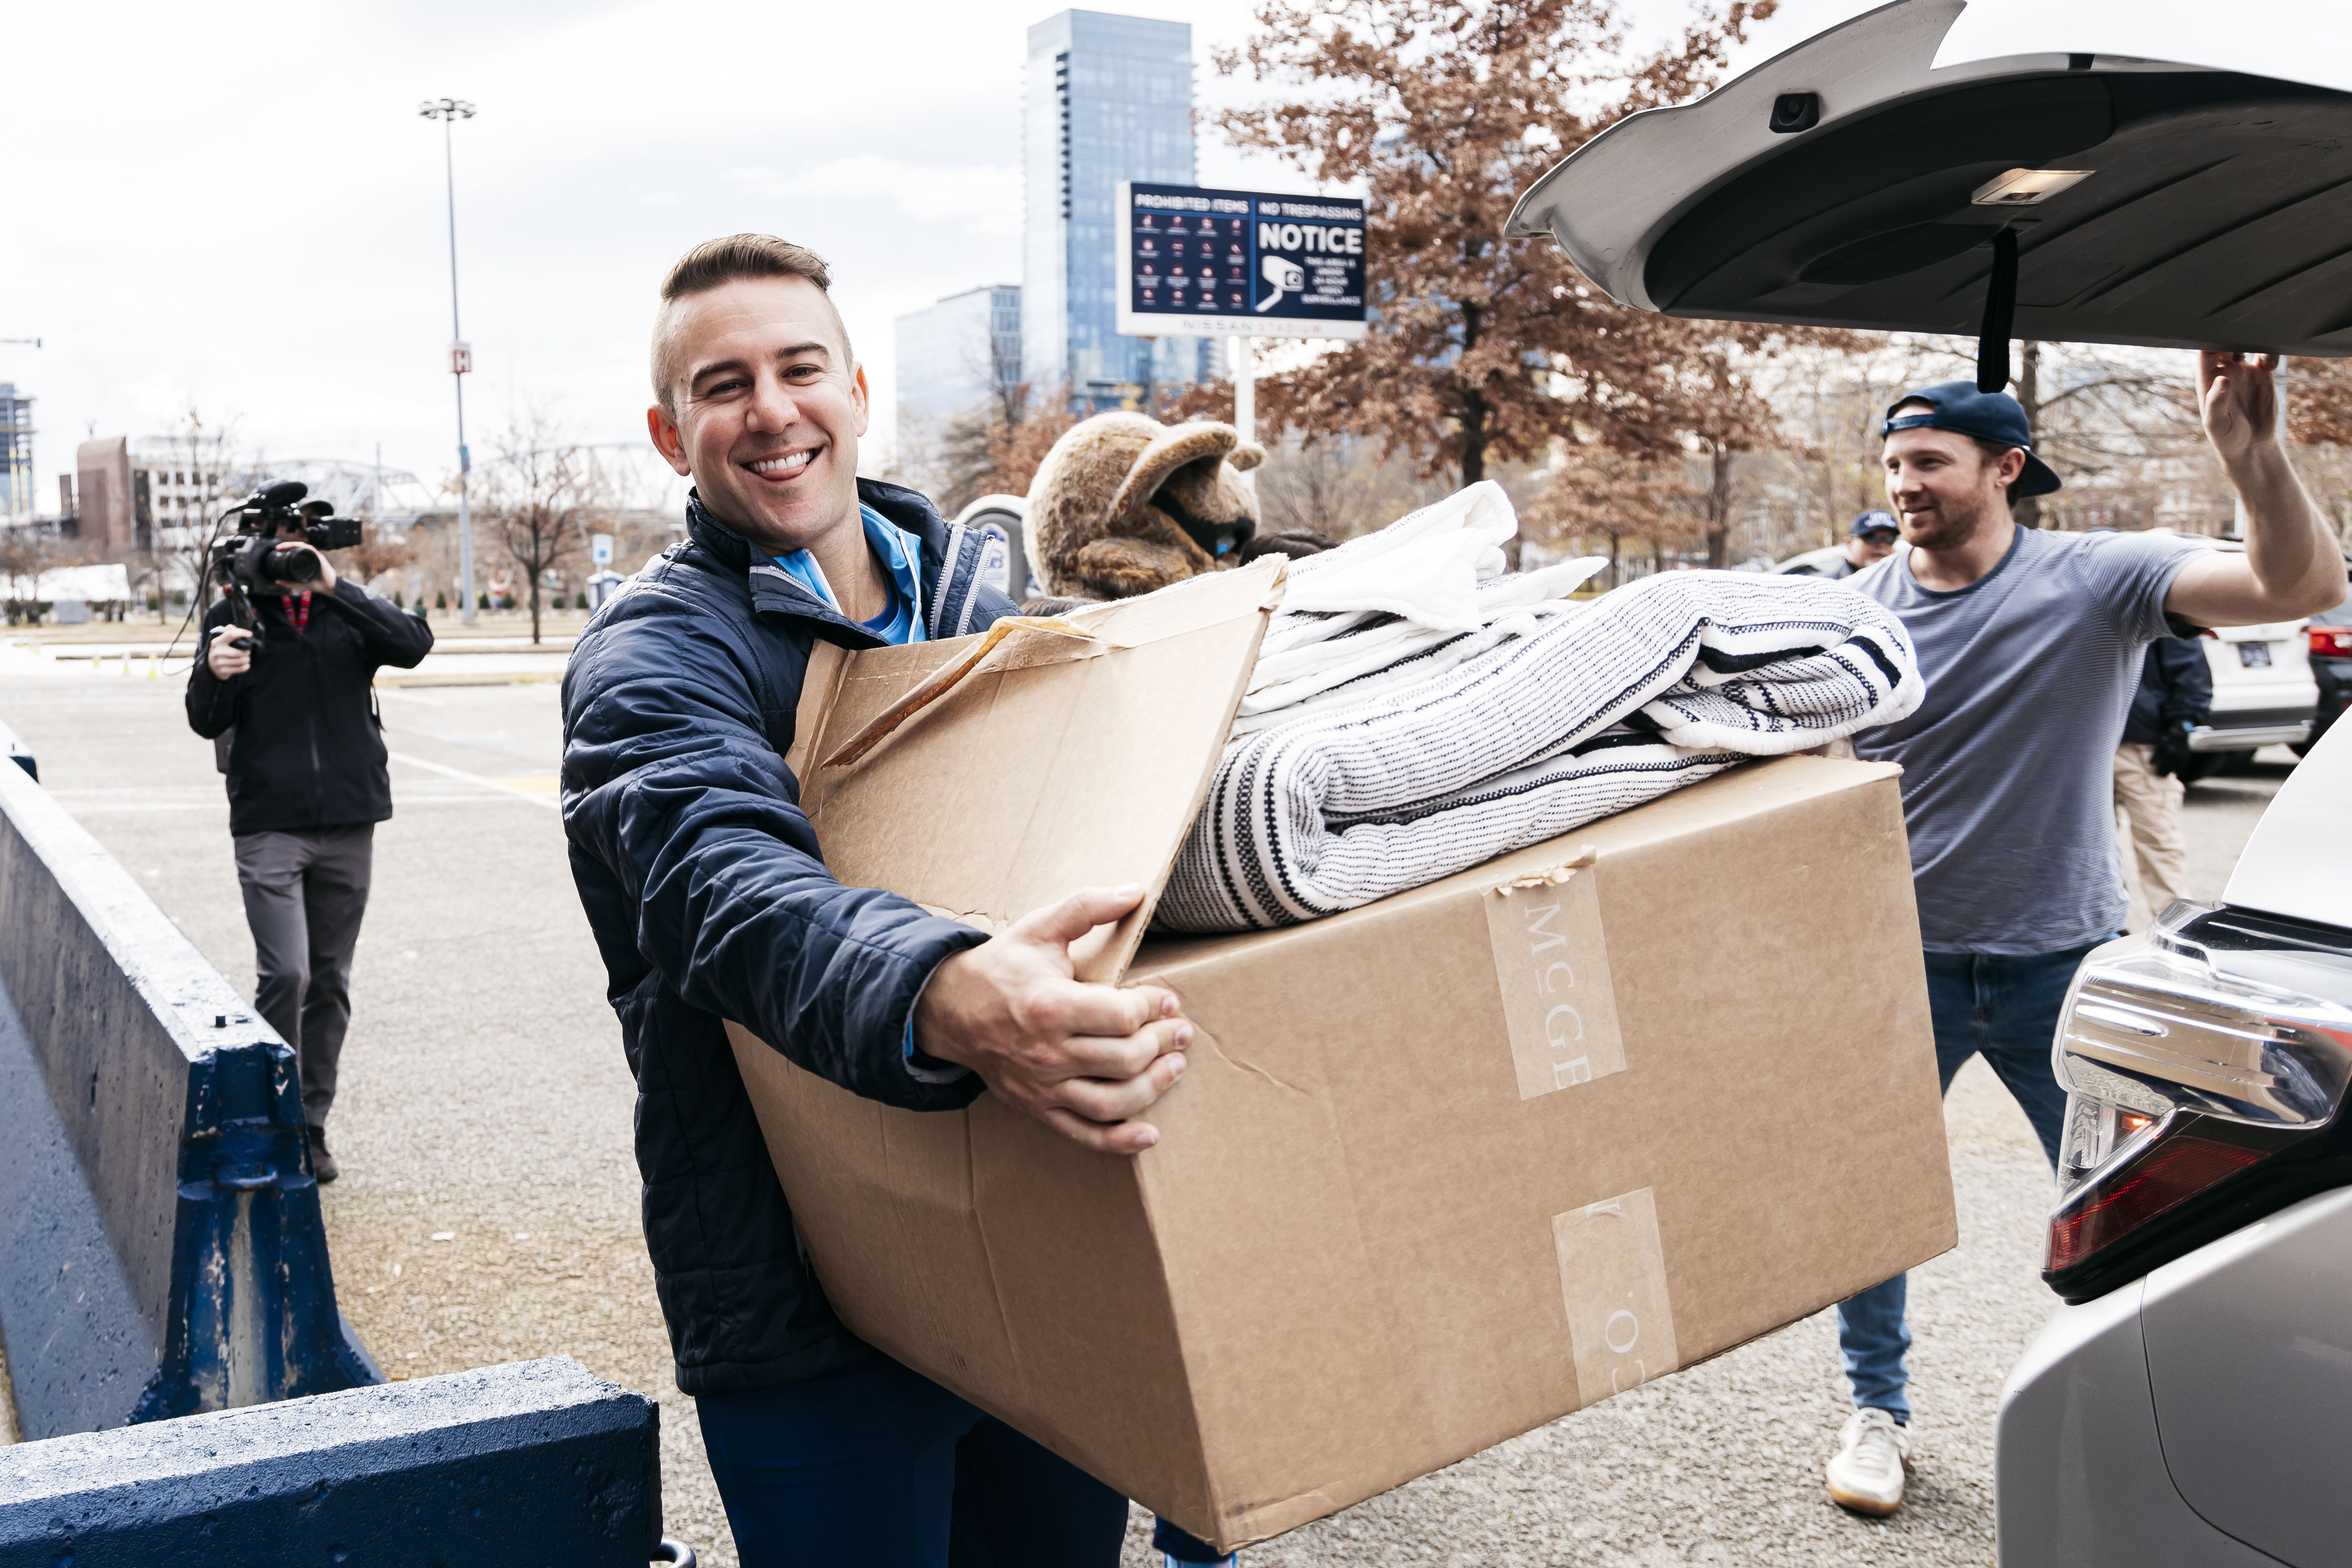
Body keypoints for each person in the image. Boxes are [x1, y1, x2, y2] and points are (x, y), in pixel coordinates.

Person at [560, 235, 1201, 1568]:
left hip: (1030, 1252)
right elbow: (728, 888)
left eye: (800, 369)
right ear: (669, 434)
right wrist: (944, 990)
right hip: (803, 1306)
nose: (772, 411)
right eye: (722, 384)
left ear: (855, 388)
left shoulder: (989, 608)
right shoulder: (650, 658)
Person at [1821, 359, 2344, 1516]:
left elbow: (2296, 582)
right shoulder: (1854, 608)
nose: (1903, 484)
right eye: (1894, 463)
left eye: (1927, 464)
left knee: (2153, 1205)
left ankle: (2155, 1410)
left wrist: (2250, 457)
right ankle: (1875, 1410)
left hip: (2057, 961)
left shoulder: (2095, 579)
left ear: (2004, 468)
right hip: (1897, 961)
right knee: (1868, 1198)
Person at [184, 511, 433, 1183]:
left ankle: (312, 1125)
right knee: (286, 974)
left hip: (349, 821)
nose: (290, 563)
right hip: (268, 822)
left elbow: (413, 644)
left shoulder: (344, 613)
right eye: (280, 552)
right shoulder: (234, 614)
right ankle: (274, 1116)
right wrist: (215, 668)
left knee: (330, 981)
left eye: (303, 551)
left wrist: (334, 587)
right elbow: (205, 718)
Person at [2115, 634, 2212, 917]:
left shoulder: (2148, 596)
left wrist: (2182, 725)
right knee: (2091, 847)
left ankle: (2174, 927)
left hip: (2140, 745)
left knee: (2158, 839)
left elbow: (2189, 665)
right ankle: (2106, 929)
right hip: (2083, 742)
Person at [1825, 510, 1901, 578]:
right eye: (1871, 537)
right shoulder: (1825, 587)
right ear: (1849, 543)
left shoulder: (1904, 585)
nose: (1882, 545)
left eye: (1890, 539)